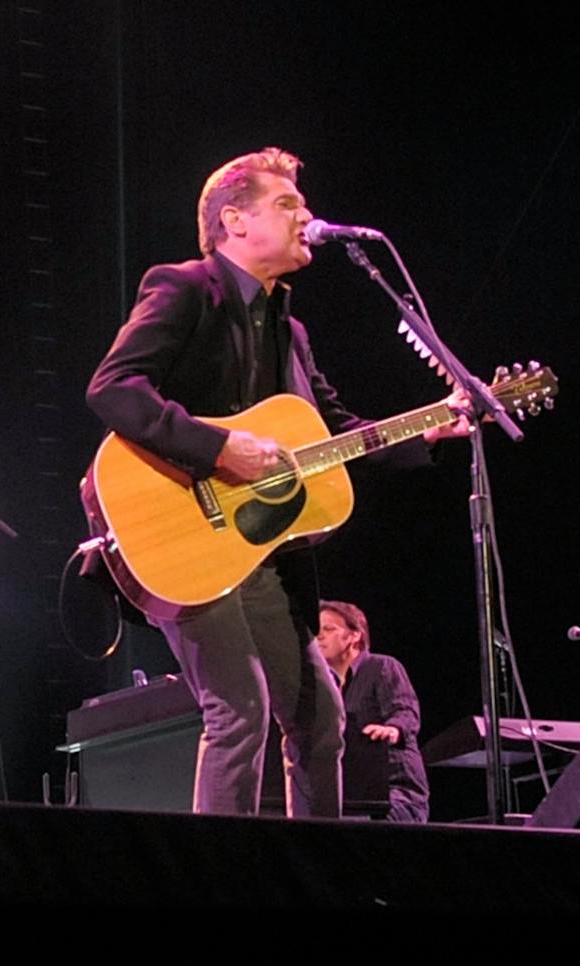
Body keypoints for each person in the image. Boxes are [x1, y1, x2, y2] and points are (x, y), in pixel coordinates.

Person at [86, 147, 461, 818]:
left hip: (257, 551)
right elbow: (113, 389)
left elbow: (338, 432)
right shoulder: (182, 287)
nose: (307, 215)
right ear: (233, 219)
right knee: (241, 712)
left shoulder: (290, 332)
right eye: (287, 204)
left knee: (320, 721)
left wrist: (427, 431)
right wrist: (220, 447)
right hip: (177, 532)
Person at [316, 601, 429, 822]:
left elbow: (405, 711)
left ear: (354, 636)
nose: (318, 637)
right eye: (316, 630)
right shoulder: (322, 685)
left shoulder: (382, 666)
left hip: (394, 793)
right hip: (350, 796)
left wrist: (392, 729)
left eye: (328, 629)